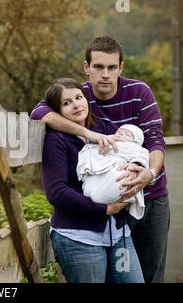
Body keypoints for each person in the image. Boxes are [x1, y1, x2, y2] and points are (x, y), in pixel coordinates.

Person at [31, 36, 170, 283]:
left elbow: (155, 140)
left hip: (150, 197)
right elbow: (39, 113)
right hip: (108, 212)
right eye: (98, 67)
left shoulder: (139, 92)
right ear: (87, 68)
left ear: (120, 67)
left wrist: (148, 175)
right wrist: (87, 133)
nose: (105, 74)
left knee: (149, 275)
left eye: (112, 67)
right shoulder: (78, 95)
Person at [41, 78, 144, 283]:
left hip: (118, 235)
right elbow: (56, 192)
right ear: (56, 110)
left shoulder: (103, 128)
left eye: (79, 97)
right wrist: (103, 209)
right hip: (78, 237)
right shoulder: (56, 140)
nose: (76, 104)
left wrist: (136, 168)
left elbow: (127, 150)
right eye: (66, 102)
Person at [77, 124, 149, 220]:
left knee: (120, 179)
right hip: (101, 170)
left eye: (127, 134)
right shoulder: (107, 140)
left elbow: (142, 156)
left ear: (135, 140)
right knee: (90, 185)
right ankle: (92, 195)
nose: (121, 133)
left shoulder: (134, 147)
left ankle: (101, 198)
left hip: (119, 169)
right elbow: (93, 149)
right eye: (119, 131)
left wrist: (135, 163)